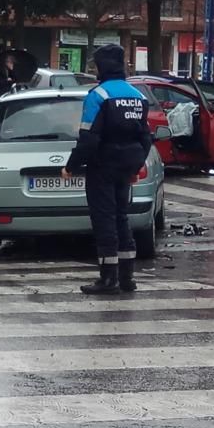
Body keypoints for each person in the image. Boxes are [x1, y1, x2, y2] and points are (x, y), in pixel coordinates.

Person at [62, 44, 153, 295]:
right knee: (122, 217)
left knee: (104, 219)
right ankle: (127, 277)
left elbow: (89, 138)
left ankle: (107, 279)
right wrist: (136, 164)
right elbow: (146, 137)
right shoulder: (138, 96)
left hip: (103, 165)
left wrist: (71, 166)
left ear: (102, 67)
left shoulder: (98, 95)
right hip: (128, 164)